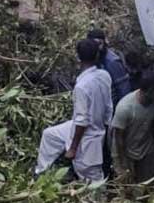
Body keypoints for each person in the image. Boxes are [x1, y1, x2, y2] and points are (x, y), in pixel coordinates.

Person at [35, 39, 113, 181]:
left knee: (91, 177)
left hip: (87, 137)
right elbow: (109, 106)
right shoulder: (104, 75)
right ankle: (41, 173)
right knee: (49, 135)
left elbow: (82, 121)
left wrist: (72, 148)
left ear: (78, 57)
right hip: (92, 126)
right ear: (97, 56)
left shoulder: (82, 86)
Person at [110, 71, 154, 184]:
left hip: (146, 149)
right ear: (149, 90)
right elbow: (118, 138)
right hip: (125, 152)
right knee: (126, 186)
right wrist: (123, 163)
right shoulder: (125, 108)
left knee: (145, 184)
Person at [87, 28, 132, 107]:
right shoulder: (94, 60)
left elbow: (124, 90)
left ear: (104, 43)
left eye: (99, 44)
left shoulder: (112, 62)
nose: (97, 48)